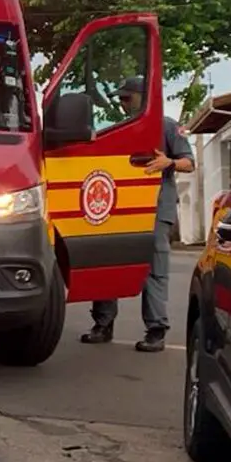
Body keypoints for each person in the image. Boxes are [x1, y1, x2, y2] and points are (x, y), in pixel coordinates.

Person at [81, 76, 193, 353]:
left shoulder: (165, 126)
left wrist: (169, 162)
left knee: (154, 268)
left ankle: (156, 330)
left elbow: (189, 163)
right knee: (108, 261)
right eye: (120, 98)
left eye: (127, 98)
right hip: (119, 208)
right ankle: (103, 324)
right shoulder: (118, 128)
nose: (122, 103)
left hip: (156, 207)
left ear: (144, 97)